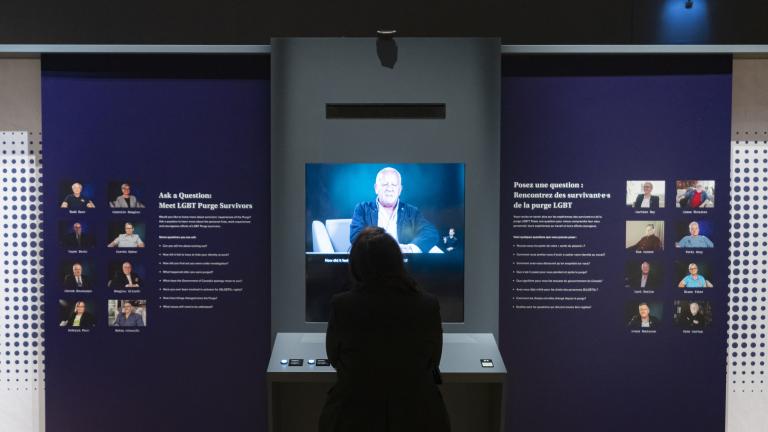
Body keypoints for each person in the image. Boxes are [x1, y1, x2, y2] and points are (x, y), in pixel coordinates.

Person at [320, 227, 450, 432]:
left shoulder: (343, 306)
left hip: (353, 416)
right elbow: (433, 359)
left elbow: (334, 358)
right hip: (420, 416)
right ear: (397, 261)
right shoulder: (428, 305)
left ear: (356, 264)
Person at [350, 167, 439, 254]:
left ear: (399, 190)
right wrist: (382, 248)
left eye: (394, 185)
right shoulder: (362, 209)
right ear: (376, 188)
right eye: (385, 184)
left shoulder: (411, 211)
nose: (390, 188)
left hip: (403, 262)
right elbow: (356, 237)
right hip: (373, 260)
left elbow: (430, 232)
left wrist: (410, 249)